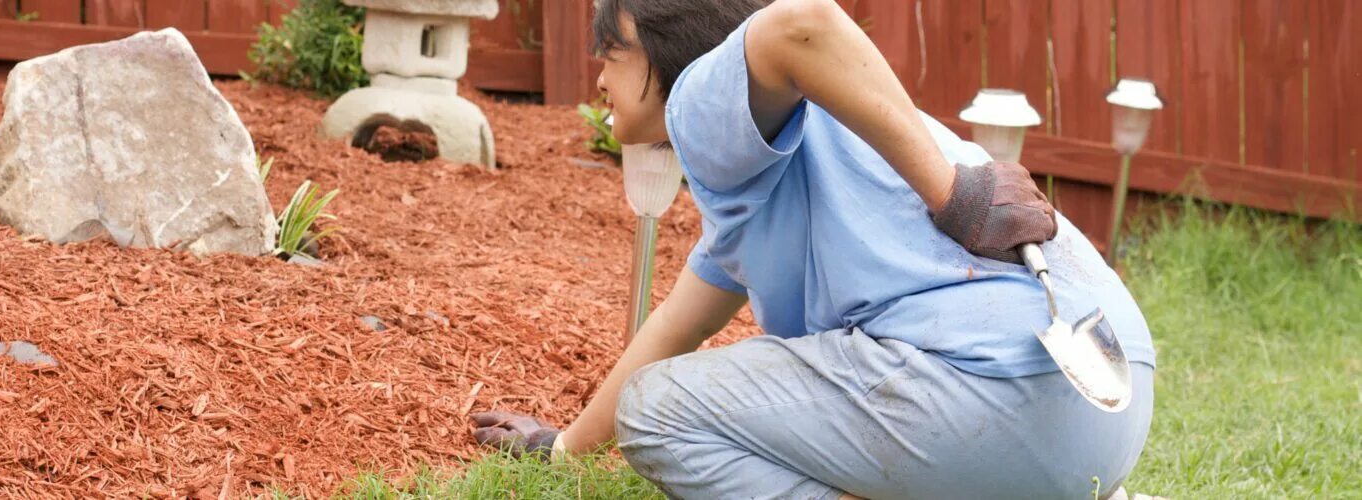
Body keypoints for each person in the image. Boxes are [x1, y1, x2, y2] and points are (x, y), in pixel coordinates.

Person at [469, 0, 1157, 498]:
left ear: (669, 49)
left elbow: (803, 22)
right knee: (657, 394)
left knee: (658, 412)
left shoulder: (704, 105)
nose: (599, 80)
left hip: (990, 396)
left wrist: (953, 194)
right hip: (1108, 394)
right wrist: (559, 450)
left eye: (611, 55)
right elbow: (676, 327)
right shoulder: (799, 160)